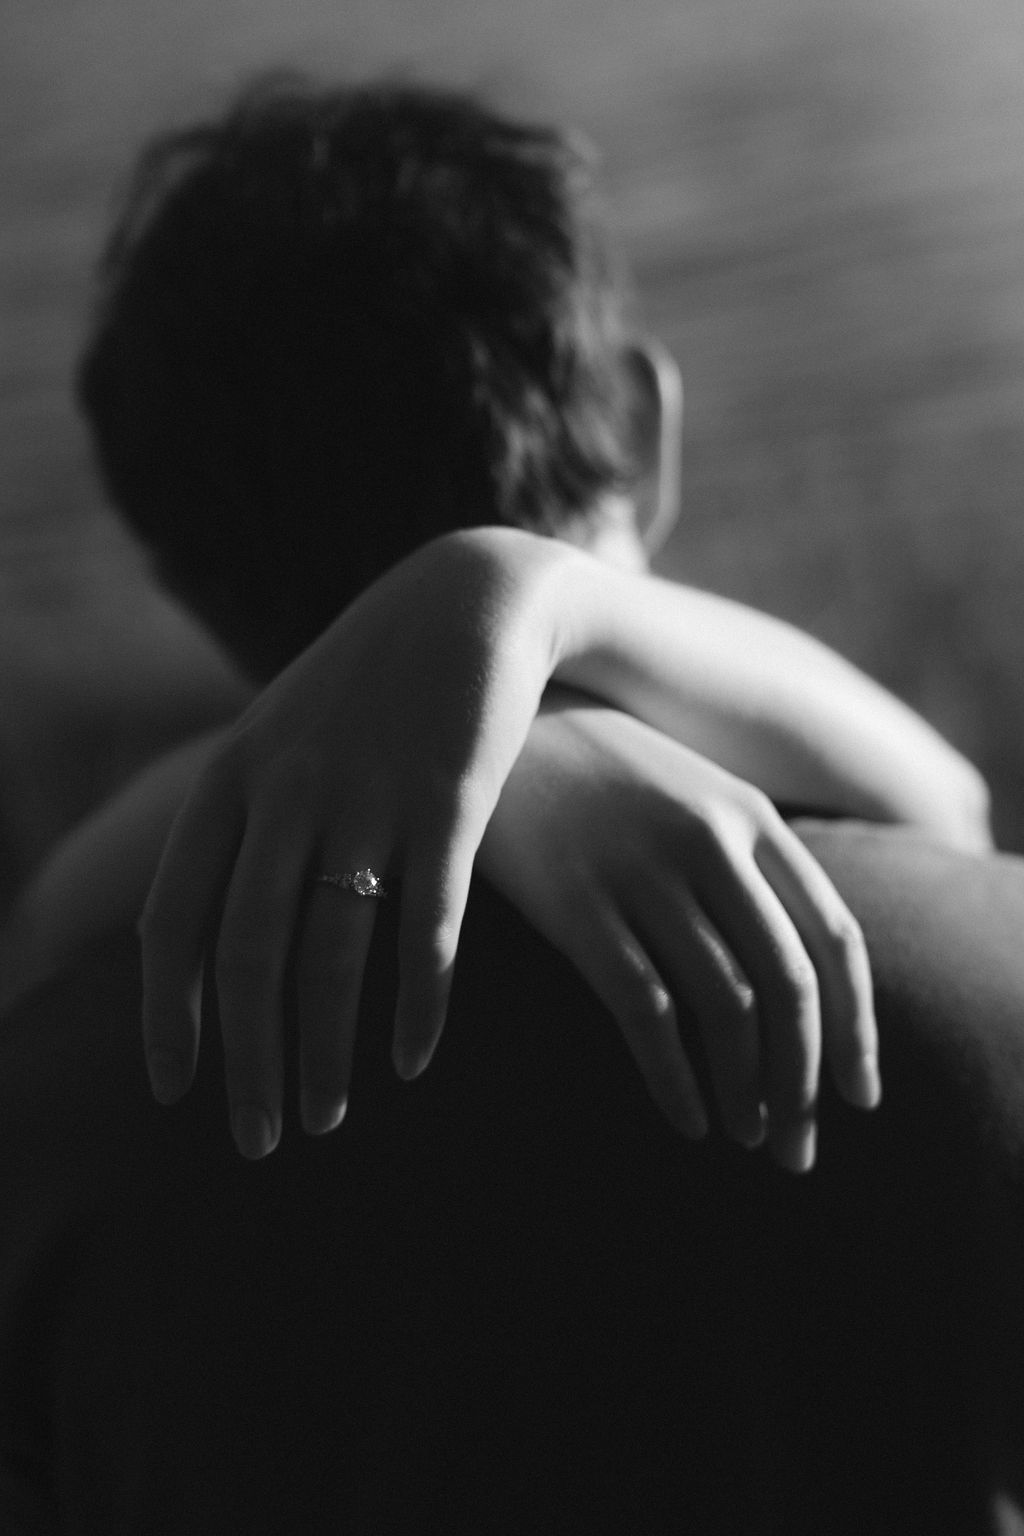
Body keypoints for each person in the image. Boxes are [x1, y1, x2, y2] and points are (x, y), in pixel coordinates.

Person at [2, 77, 1022, 1532]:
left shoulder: (65, 1107)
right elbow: (957, 810)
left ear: (184, 582)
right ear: (644, 425)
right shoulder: (982, 965)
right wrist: (534, 652)